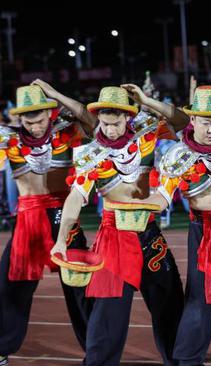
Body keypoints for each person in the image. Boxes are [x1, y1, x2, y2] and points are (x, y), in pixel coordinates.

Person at [122, 83, 211, 366]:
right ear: (193, 120)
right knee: (199, 302)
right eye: (206, 122)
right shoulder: (177, 155)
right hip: (203, 231)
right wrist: (136, 206)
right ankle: (188, 360)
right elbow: (162, 197)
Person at [50, 86, 184, 366]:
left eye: (116, 123)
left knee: (170, 304)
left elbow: (184, 123)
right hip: (113, 237)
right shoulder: (90, 154)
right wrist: (62, 239)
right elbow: (76, 197)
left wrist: (147, 100)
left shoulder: (147, 132)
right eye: (105, 123)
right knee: (107, 315)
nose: (109, 130)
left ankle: (180, 360)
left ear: (128, 117)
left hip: (148, 233)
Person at [0, 83, 96, 365]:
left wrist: (55, 94)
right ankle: (2, 348)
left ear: (51, 114)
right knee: (10, 287)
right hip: (28, 221)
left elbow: (91, 120)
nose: (35, 127)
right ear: (19, 119)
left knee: (79, 287)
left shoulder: (67, 132)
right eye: (28, 121)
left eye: (41, 120)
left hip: (63, 217)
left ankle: (96, 349)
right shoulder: (8, 140)